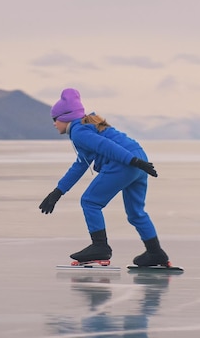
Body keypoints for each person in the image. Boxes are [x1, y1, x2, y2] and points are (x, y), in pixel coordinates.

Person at [39, 88, 170, 266]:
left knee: (90, 201)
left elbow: (106, 146)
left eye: (55, 119)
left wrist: (133, 161)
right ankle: (155, 252)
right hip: (138, 160)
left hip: (126, 162)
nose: (54, 124)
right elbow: (80, 165)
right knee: (135, 213)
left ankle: (100, 246)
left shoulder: (79, 132)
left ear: (65, 117)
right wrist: (58, 191)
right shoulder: (87, 126)